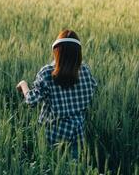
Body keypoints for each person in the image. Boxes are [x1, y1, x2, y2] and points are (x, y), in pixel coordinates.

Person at [16, 29, 97, 159]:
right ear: (78, 53)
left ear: (56, 52)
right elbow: (91, 90)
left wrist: (23, 85)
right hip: (77, 132)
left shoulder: (48, 73)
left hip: (53, 134)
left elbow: (31, 100)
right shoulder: (85, 71)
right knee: (73, 168)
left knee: (52, 165)